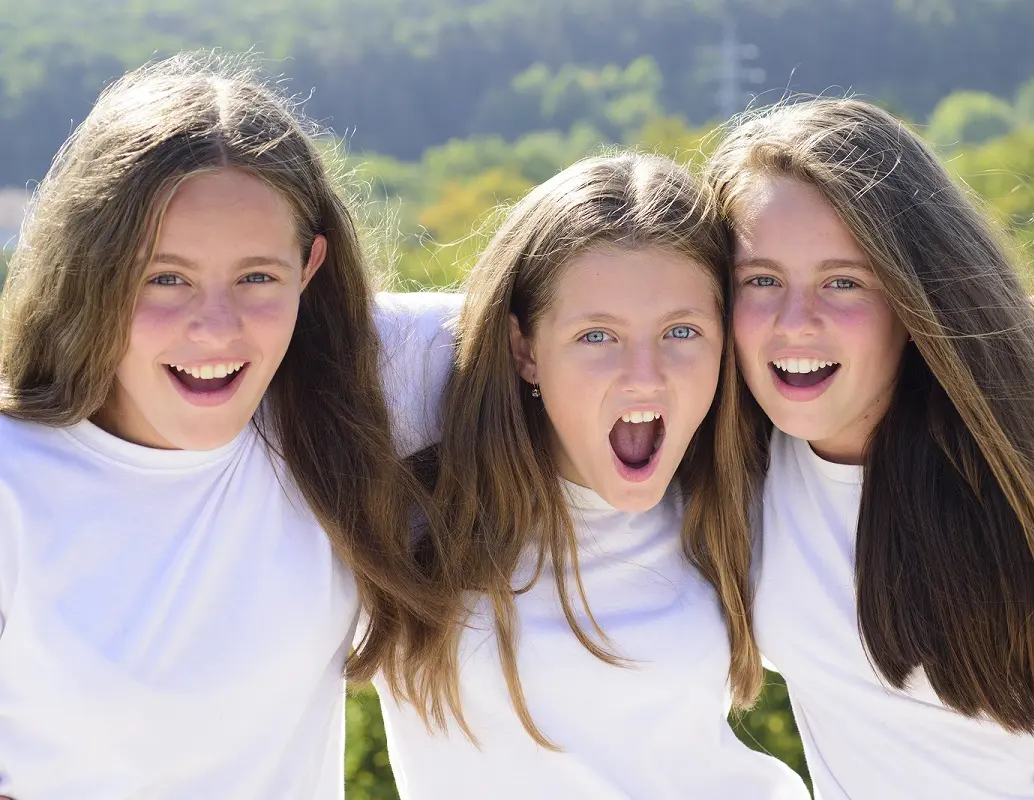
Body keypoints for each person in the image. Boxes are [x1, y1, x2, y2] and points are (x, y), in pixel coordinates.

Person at [706, 97, 1034, 798]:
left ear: (917, 298)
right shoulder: (741, 471)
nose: (795, 321)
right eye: (761, 280)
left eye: (843, 282)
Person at [0, 53, 459, 799]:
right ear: (93, 272)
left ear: (308, 269)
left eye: (256, 278)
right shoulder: (14, 481)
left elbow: (577, 316)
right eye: (165, 278)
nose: (216, 328)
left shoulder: (348, 395)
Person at [375, 153, 810, 799]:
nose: (644, 374)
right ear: (525, 351)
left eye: (682, 330)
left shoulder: (747, 501)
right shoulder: (410, 517)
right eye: (597, 337)